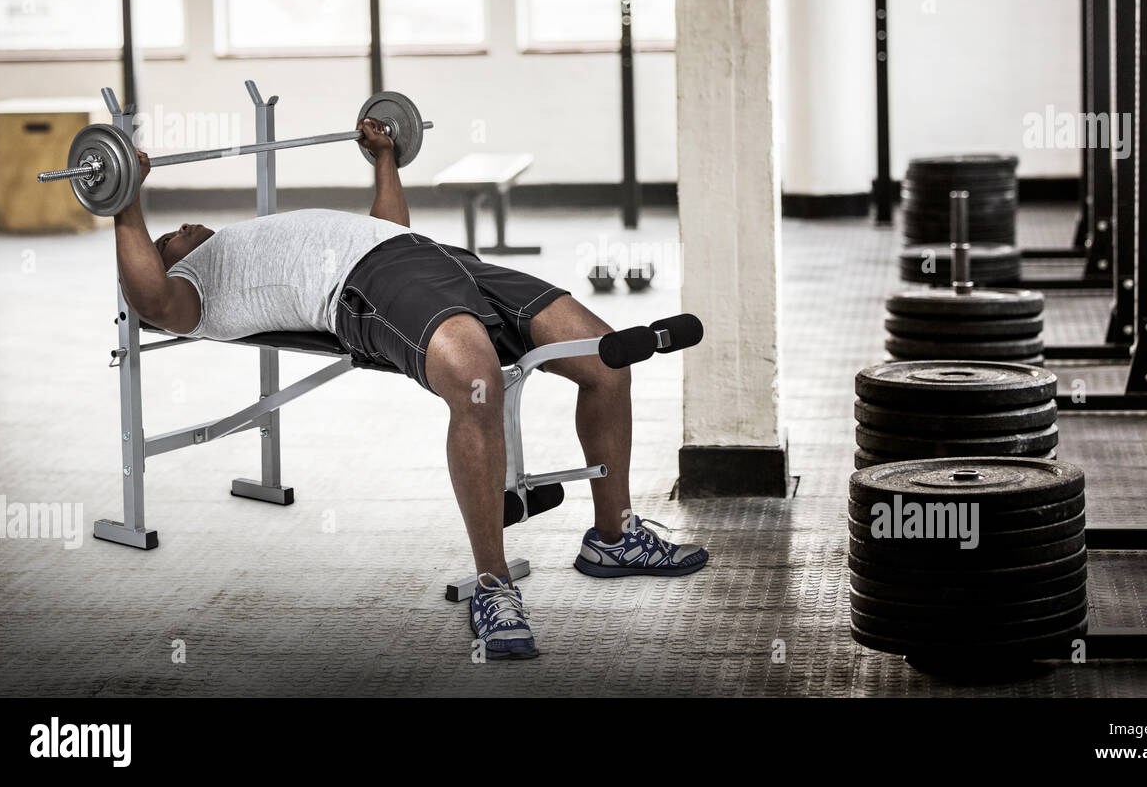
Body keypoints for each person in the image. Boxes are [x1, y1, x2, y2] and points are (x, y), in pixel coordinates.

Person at [113, 117, 708, 659]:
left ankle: (614, 537)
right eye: (167, 240)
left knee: (604, 360)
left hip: (432, 255)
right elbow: (149, 298)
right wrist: (126, 201)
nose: (182, 229)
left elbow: (388, 228)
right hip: (365, 286)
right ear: (167, 264)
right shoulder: (196, 291)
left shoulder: (245, 235)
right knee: (477, 385)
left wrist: (385, 159)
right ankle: (493, 587)